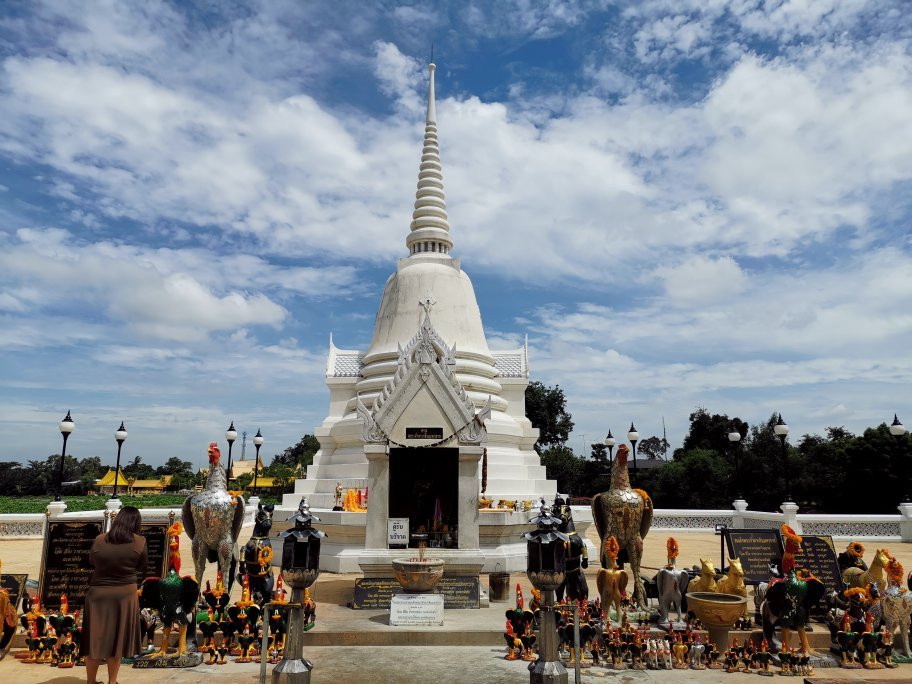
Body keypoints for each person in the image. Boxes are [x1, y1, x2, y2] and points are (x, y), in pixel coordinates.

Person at [82, 506, 147, 684]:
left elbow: (91, 562)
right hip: (124, 595)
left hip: (98, 594)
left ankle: (90, 681)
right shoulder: (140, 541)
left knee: (94, 640)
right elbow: (141, 566)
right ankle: (112, 681)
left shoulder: (99, 539)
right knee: (116, 641)